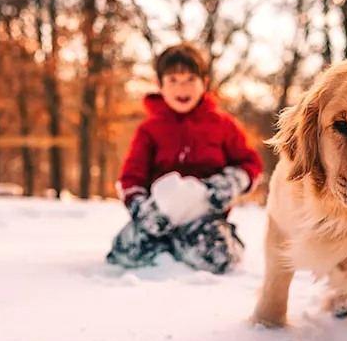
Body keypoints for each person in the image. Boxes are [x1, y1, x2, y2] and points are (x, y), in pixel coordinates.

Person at [106, 42, 263, 274]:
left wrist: (227, 184)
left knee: (219, 257)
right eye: (173, 81)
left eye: (190, 79)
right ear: (160, 85)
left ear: (204, 83)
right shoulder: (150, 129)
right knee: (125, 252)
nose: (182, 88)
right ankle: (167, 246)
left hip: (204, 214)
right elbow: (131, 177)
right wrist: (142, 208)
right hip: (161, 214)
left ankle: (206, 241)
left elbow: (250, 164)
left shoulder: (222, 125)